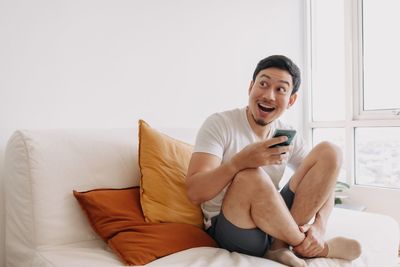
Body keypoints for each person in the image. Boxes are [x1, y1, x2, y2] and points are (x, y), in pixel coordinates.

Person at [185, 55, 361, 267]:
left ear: (291, 100)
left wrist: (320, 226)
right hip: (232, 224)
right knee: (251, 176)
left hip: (273, 222)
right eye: (263, 84)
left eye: (281, 89)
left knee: (330, 152)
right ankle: (309, 247)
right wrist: (239, 162)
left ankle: (279, 246)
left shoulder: (286, 133)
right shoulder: (220, 124)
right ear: (251, 87)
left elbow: (326, 180)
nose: (269, 95)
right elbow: (194, 192)